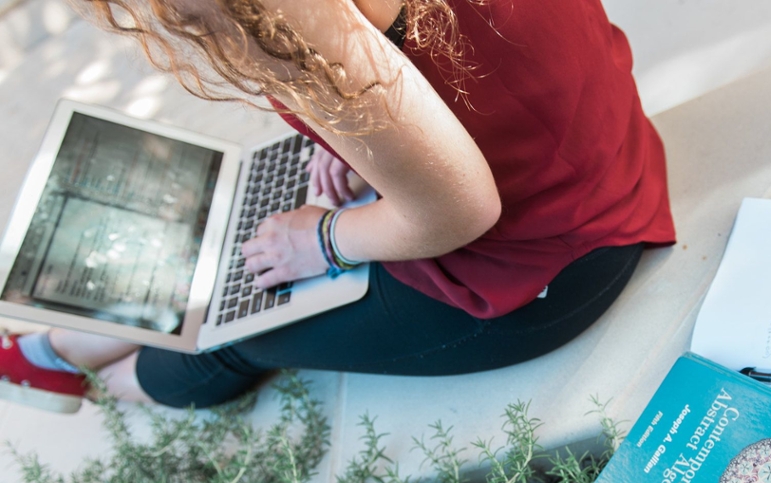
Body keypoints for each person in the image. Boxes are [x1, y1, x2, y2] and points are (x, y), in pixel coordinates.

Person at [0, 0, 675, 412]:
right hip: (598, 151)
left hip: (547, 263)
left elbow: (459, 210)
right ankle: (61, 343)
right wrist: (372, 138)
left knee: (214, 341)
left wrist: (323, 241)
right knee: (241, 245)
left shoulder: (273, 5)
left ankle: (61, 364)